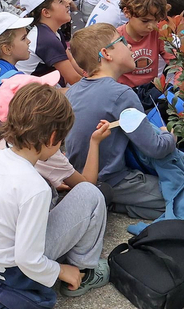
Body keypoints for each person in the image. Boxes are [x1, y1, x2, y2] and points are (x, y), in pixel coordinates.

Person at [0, 83, 110, 309]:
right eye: (62, 140)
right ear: (53, 138)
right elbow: (27, 259)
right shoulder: (34, 187)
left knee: (54, 198)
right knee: (90, 194)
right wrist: (60, 271)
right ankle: (85, 270)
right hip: (16, 270)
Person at [64, 24, 173, 219]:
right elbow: (155, 148)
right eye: (122, 41)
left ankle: (113, 202)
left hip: (79, 176)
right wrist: (168, 134)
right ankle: (112, 201)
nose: (130, 46)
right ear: (106, 53)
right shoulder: (122, 94)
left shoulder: (73, 90)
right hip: (112, 178)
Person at [17, 0, 79, 84]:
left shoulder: (52, 31)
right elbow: (74, 79)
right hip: (29, 95)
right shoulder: (45, 39)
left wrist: (88, 75)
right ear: (46, 12)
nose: (67, 4)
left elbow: (71, 60)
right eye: (60, 1)